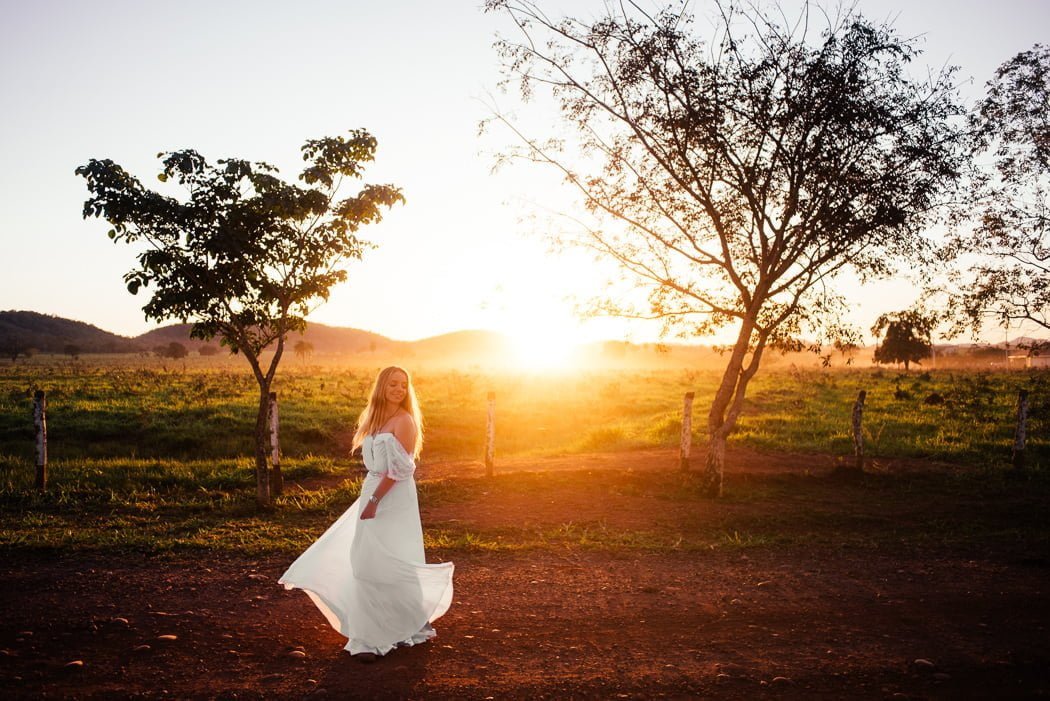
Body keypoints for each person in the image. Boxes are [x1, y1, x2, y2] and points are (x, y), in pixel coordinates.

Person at [279, 366, 454, 662]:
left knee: (382, 558)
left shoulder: (405, 421)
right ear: (382, 387)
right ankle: (375, 628)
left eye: (403, 385)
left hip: (392, 496)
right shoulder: (374, 420)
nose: (399, 389)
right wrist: (369, 496)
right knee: (364, 560)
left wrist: (374, 500)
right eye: (393, 384)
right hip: (372, 490)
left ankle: (381, 634)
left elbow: (400, 469)